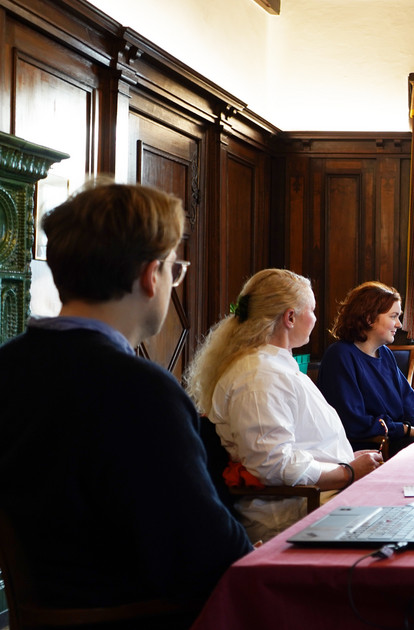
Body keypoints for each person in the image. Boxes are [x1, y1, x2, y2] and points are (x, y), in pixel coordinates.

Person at [0, 182, 252, 621]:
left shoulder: (7, 366)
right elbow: (205, 554)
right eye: (175, 268)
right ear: (149, 276)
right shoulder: (141, 390)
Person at [185, 269, 384, 543]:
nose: (315, 319)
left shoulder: (272, 364)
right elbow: (273, 464)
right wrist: (348, 471)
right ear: (290, 317)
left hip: (320, 501)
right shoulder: (259, 374)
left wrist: (346, 460)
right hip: (294, 517)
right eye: (311, 310)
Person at [317, 281, 414, 457]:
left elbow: (408, 404)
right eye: (393, 316)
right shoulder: (340, 356)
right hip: (370, 450)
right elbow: (354, 423)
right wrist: (407, 430)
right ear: (369, 318)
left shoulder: (385, 354)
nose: (399, 324)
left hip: (399, 439)